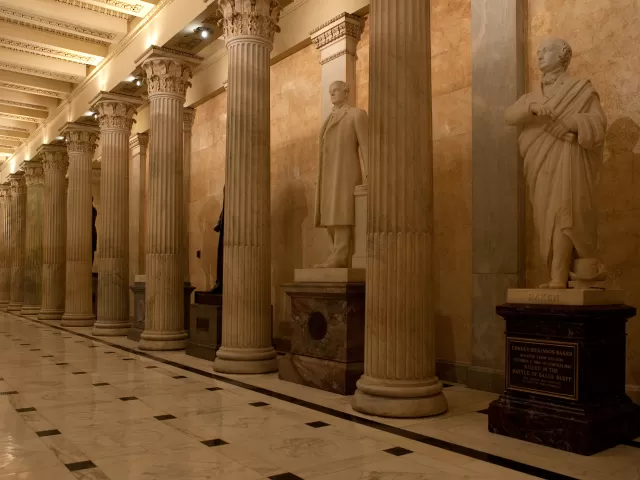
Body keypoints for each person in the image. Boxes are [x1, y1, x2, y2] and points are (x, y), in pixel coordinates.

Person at [505, 37, 607, 288]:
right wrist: (532, 107)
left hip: (569, 158)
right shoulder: (532, 96)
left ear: (562, 54)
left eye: (546, 51)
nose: (539, 55)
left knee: (565, 213)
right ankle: (556, 274)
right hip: (541, 165)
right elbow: (509, 116)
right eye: (537, 51)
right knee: (545, 217)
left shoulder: (581, 89)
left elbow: (599, 122)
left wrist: (572, 123)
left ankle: (559, 278)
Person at [313, 80, 368, 268]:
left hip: (345, 170)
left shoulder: (356, 115)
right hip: (328, 173)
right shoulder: (329, 118)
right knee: (329, 211)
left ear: (346, 91)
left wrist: (370, 177)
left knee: (341, 210)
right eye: (330, 92)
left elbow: (366, 147)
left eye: (336, 90)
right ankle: (334, 250)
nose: (332, 94)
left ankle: (341, 252)